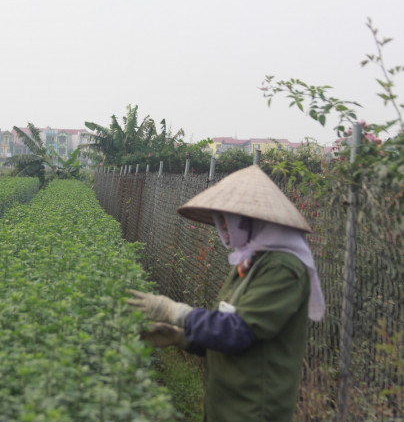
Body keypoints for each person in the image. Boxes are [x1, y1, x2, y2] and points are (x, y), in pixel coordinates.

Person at [127, 165, 325, 422]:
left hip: (252, 410)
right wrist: (182, 339)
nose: (223, 228)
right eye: (219, 220)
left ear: (253, 220)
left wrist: (173, 312)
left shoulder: (282, 269)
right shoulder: (250, 262)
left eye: (227, 220)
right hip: (227, 404)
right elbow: (225, 332)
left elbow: (237, 332)